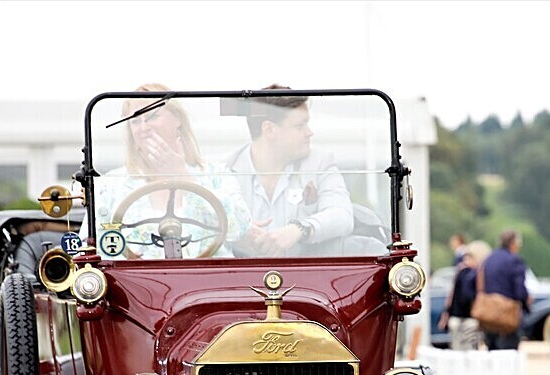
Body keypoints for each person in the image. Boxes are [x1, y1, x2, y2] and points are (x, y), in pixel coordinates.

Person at [91, 84, 250, 258]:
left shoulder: (215, 175)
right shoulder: (111, 185)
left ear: (177, 119)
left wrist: (183, 176)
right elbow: (95, 248)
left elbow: (239, 229)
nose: (144, 127)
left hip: (208, 280)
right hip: (137, 283)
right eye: (135, 121)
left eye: (152, 116)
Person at [227, 85, 354, 257]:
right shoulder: (224, 171)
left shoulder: (321, 162)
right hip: (242, 277)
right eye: (300, 126)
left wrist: (299, 229)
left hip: (306, 277)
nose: (310, 132)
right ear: (269, 130)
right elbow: (204, 227)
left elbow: (342, 216)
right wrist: (235, 235)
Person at [478, 230, 531, 350]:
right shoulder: (515, 261)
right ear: (513, 243)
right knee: (508, 353)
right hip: (506, 315)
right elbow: (519, 290)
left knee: (491, 351)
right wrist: (526, 305)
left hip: (488, 314)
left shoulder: (488, 259)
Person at [439, 239, 488, 350]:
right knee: (469, 352)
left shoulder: (460, 271)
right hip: (469, 318)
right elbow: (468, 295)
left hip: (455, 317)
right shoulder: (473, 274)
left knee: (457, 351)